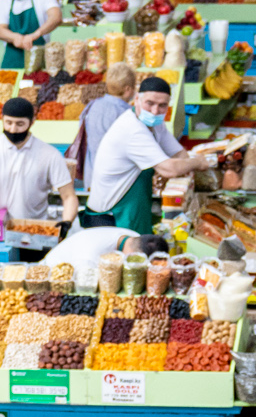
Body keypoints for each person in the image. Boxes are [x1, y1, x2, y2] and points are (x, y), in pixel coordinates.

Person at [86, 76, 231, 233]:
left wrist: (185, 165)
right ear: (136, 99)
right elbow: (170, 168)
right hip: (112, 215)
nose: (155, 111)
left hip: (132, 207)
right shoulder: (132, 130)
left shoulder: (155, 123)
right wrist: (198, 163)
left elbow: (179, 153)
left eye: (162, 106)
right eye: (150, 103)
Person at [0, 97, 79, 225]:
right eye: (8, 122)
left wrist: (67, 222)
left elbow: (69, 196)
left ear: (32, 122)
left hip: (35, 229)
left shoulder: (50, 154)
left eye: (20, 124)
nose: (13, 129)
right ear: (2, 119)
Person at [80, 65, 137, 189]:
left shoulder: (92, 106)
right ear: (128, 89)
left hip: (92, 176)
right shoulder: (127, 114)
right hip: (117, 181)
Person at [42, 228, 169, 275]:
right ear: (134, 256)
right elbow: (86, 286)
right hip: (51, 274)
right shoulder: (89, 258)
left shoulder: (133, 238)